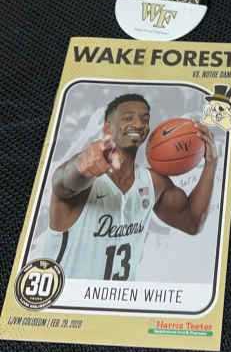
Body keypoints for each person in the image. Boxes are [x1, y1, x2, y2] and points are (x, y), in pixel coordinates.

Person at [44, 93, 217, 280]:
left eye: (145, 119)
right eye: (128, 118)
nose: (138, 124)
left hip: (122, 297)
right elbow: (64, 183)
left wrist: (211, 163)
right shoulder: (82, 172)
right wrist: (83, 166)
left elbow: (192, 223)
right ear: (107, 128)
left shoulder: (154, 182)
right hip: (69, 295)